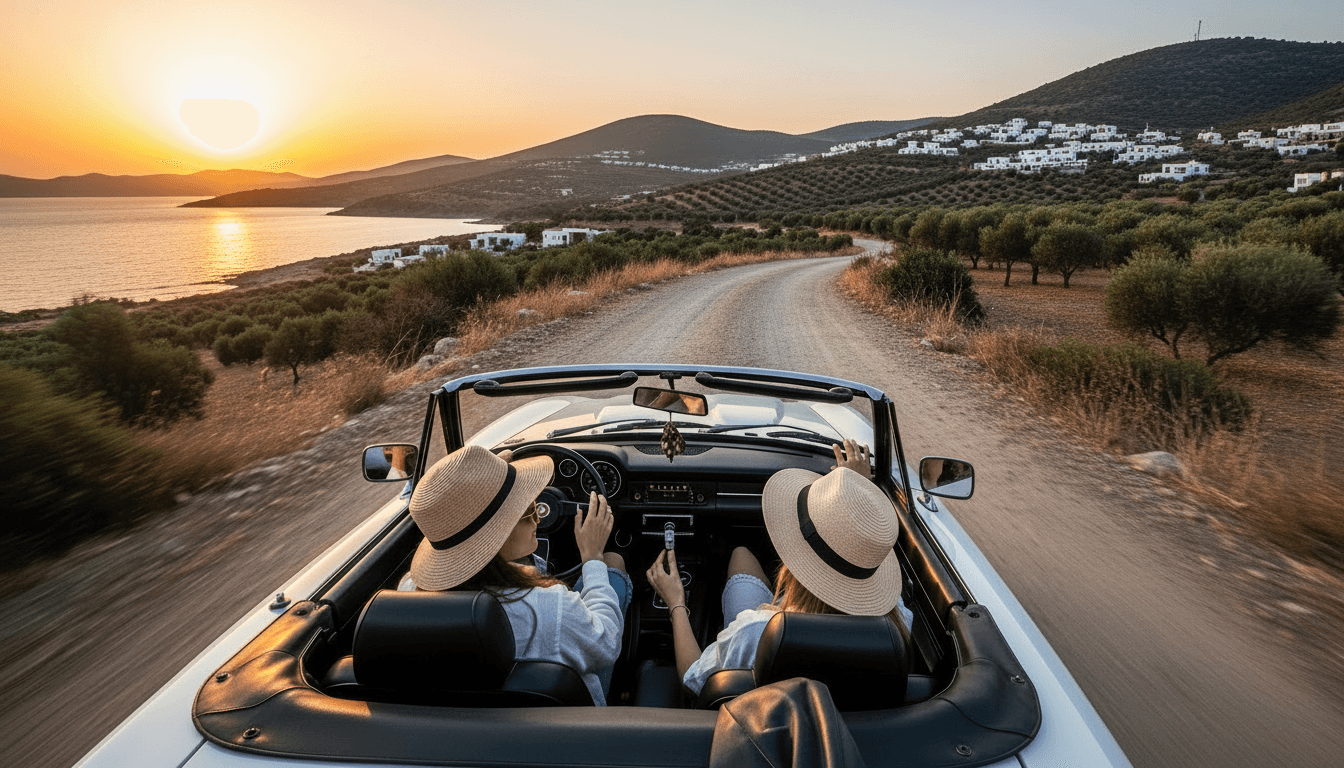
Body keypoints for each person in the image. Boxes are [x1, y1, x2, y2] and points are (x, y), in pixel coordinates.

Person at [646, 439, 912, 697]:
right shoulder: (897, 624)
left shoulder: (756, 631)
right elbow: (855, 545)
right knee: (742, 556)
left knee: (739, 555)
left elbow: (692, 678)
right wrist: (856, 496)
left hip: (761, 709)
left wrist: (676, 602)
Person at [399, 444, 631, 705]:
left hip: (468, 719)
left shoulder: (407, 596)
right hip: (567, 719)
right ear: (499, 535)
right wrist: (592, 557)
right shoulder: (550, 608)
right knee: (612, 565)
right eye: (529, 509)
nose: (538, 519)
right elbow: (606, 643)